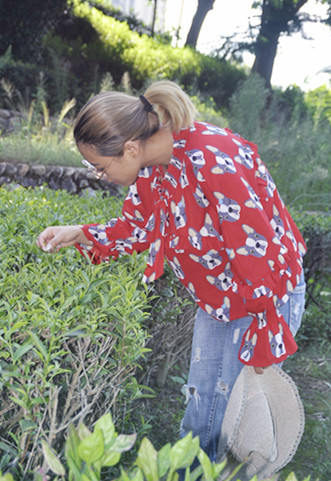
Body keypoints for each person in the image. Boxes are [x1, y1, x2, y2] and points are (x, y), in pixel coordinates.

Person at [36, 80, 307, 476]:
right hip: (222, 298)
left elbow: (257, 252)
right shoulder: (152, 164)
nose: (100, 175)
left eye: (100, 166)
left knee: (229, 418)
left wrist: (265, 329)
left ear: (129, 147)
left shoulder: (212, 157)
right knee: (205, 414)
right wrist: (79, 233)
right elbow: (138, 226)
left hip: (262, 296)